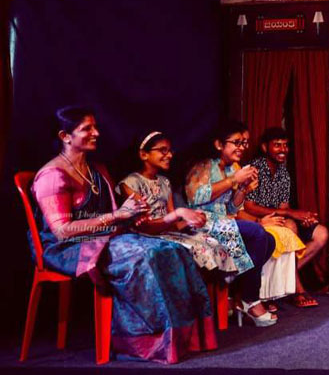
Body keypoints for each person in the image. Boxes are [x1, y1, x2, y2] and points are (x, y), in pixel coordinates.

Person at [32, 107, 216, 363]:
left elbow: (115, 213)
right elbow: (62, 231)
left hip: (106, 236)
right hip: (70, 248)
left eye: (95, 127)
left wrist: (131, 216)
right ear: (65, 136)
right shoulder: (52, 176)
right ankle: (146, 342)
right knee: (144, 256)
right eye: (87, 129)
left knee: (173, 249)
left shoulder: (96, 170)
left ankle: (186, 339)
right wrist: (117, 216)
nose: (96, 133)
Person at [185, 121, 277, 326]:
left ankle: (238, 292)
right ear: (219, 144)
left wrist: (243, 189)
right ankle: (250, 300)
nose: (242, 147)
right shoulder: (205, 165)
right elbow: (195, 197)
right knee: (257, 232)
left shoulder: (233, 167)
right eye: (237, 142)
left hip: (222, 220)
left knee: (269, 240)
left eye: (244, 143)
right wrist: (234, 180)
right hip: (202, 221)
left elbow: (232, 209)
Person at [120, 131, 239, 276]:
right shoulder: (130, 184)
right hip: (145, 235)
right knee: (187, 250)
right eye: (163, 150)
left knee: (212, 243)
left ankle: (217, 286)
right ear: (144, 154)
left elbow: (173, 223)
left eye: (170, 151)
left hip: (166, 232)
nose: (170, 155)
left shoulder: (165, 182)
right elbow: (146, 226)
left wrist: (191, 220)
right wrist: (179, 213)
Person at [243, 127, 329, 308]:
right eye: (277, 145)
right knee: (290, 226)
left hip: (279, 217)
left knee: (321, 233)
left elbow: (283, 207)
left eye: (285, 145)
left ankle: (283, 280)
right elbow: (249, 206)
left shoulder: (283, 172)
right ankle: (297, 289)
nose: (283, 149)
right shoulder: (255, 169)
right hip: (257, 221)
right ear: (265, 147)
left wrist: (303, 217)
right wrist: (291, 214)